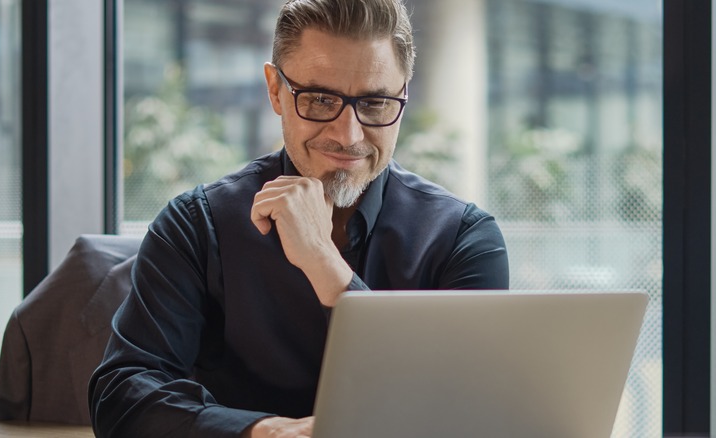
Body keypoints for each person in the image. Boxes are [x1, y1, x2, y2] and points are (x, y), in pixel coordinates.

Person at [89, 0, 509, 436]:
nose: (347, 135)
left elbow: (469, 411)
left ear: (403, 93)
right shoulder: (197, 224)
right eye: (320, 99)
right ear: (275, 90)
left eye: (376, 103)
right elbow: (121, 395)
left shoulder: (465, 239)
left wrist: (326, 266)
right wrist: (265, 432)